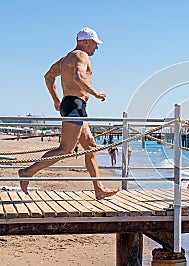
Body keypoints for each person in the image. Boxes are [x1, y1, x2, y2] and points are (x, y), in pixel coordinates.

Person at [18, 27, 120, 199]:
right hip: (75, 105)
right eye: (95, 44)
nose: (97, 48)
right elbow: (78, 78)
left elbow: (48, 76)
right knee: (66, 149)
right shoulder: (81, 55)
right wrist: (95, 93)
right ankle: (27, 172)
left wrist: (56, 100)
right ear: (85, 42)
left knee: (90, 147)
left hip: (72, 104)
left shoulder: (66, 59)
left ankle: (99, 189)